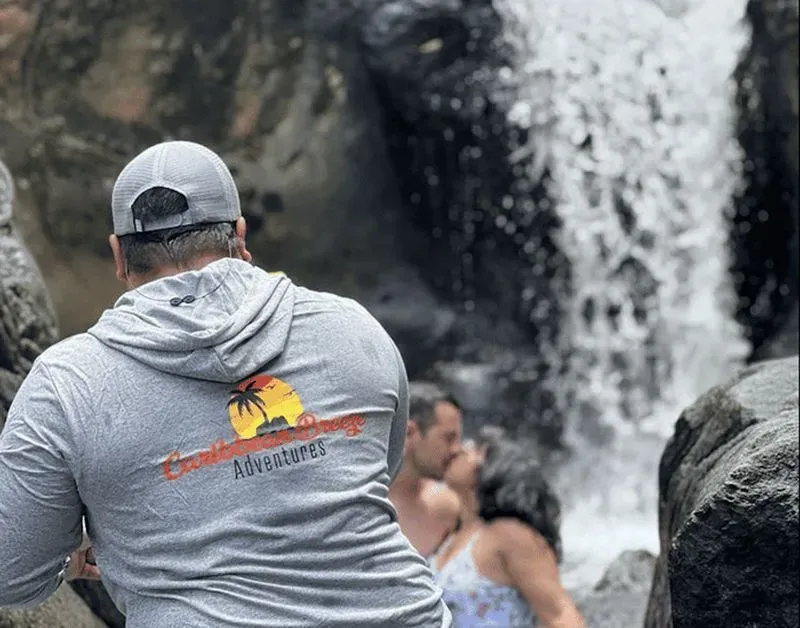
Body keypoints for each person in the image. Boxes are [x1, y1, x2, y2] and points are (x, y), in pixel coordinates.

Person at [0, 141, 452, 627]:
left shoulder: (69, 383)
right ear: (240, 235)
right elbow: (378, 467)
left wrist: (68, 556)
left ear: (118, 256)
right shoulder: (352, 328)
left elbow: (10, 569)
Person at [431, 427, 585, 627]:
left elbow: (560, 615)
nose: (459, 450)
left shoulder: (509, 535)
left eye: (476, 448)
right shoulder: (452, 535)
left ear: (493, 468)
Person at [389, 381, 463, 558]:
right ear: (410, 433)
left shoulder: (450, 506)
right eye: (448, 438)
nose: (456, 449)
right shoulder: (362, 501)